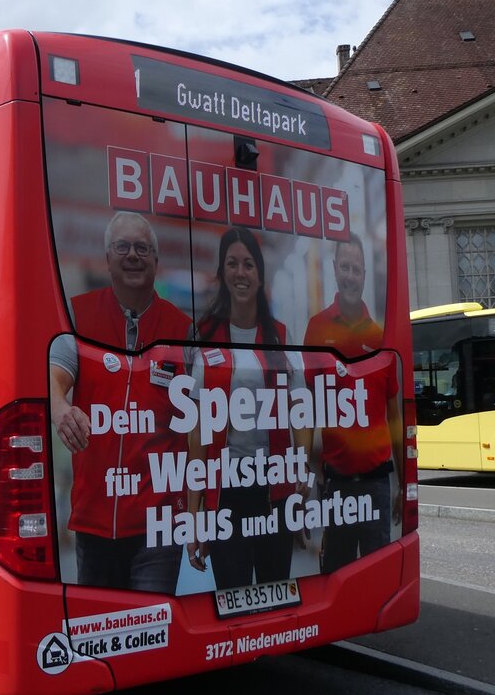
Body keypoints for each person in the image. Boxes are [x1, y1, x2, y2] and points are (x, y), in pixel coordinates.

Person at [49, 212, 191, 592]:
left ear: (156, 262)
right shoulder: (77, 315)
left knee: (152, 634)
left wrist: (197, 513)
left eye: (143, 248)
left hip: (160, 525)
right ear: (107, 258)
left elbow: (198, 427)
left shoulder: (183, 329)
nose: (133, 255)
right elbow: (56, 378)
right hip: (94, 518)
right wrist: (60, 408)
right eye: (123, 247)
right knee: (99, 638)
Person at [184, 227, 304, 590]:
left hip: (274, 492)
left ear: (260, 274)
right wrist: (194, 515)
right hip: (227, 494)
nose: (241, 272)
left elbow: (300, 408)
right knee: (232, 596)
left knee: (275, 593)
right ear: (221, 273)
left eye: (249, 264)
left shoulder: (280, 336)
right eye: (232, 264)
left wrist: (301, 482)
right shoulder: (204, 335)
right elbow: (197, 434)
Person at [303, 233, 402, 575]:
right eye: (344, 267)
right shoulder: (315, 330)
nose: (349, 275)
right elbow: (306, 413)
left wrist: (403, 484)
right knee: (335, 574)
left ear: (363, 275)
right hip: (336, 485)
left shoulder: (379, 338)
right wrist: (303, 484)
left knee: (377, 575)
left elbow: (394, 418)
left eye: (356, 269)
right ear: (334, 269)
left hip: (377, 485)